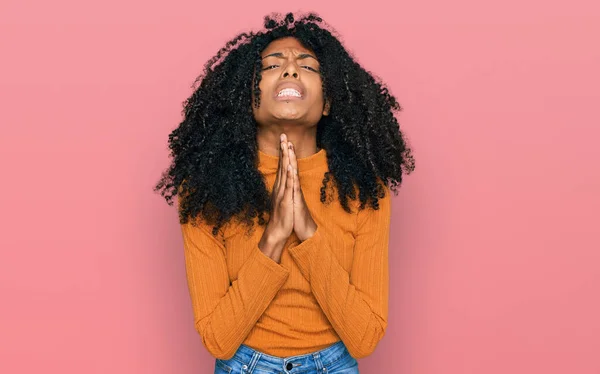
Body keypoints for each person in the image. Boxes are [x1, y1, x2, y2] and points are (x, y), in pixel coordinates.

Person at [154, 11, 415, 374]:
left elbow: (364, 338)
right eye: (273, 64)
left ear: (327, 102)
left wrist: (308, 233)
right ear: (247, 97)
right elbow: (218, 339)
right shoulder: (205, 192)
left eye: (308, 66)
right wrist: (273, 238)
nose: (291, 70)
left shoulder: (366, 191)